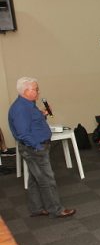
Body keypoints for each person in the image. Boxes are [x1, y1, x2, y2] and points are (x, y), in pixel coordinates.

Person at [8, 77, 76, 218]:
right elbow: (23, 133)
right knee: (47, 179)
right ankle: (56, 210)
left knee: (34, 179)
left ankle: (36, 208)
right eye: (35, 89)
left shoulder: (28, 104)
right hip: (34, 149)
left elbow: (32, 123)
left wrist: (42, 115)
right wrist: (37, 146)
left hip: (35, 147)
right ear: (26, 91)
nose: (38, 91)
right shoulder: (20, 108)